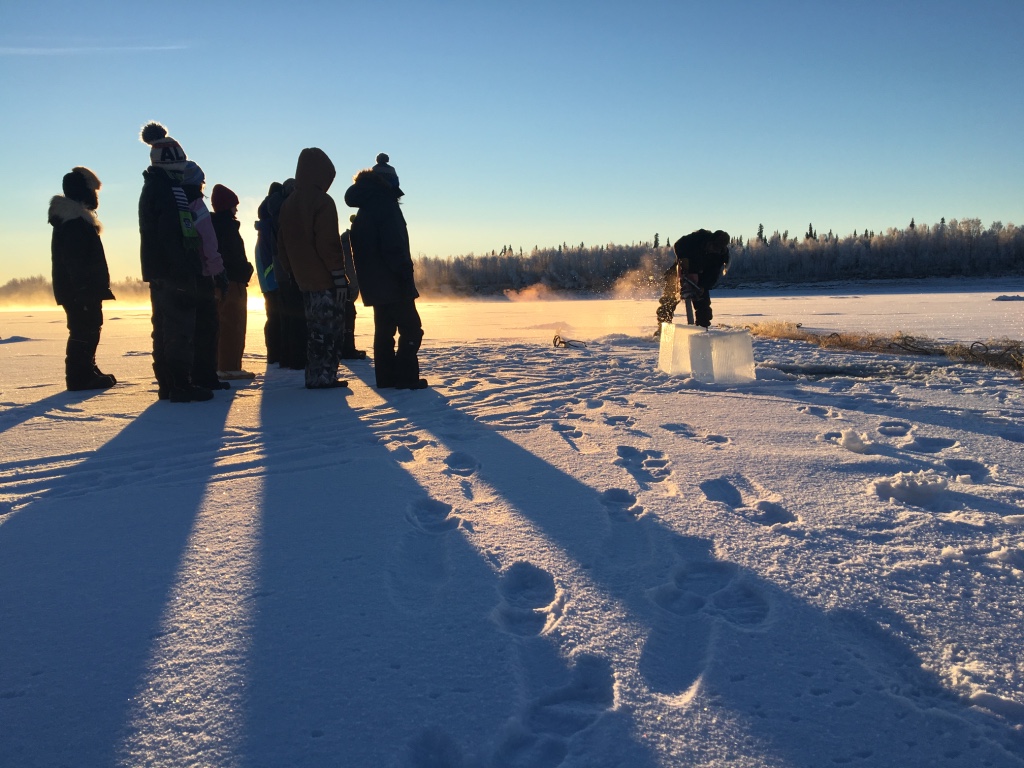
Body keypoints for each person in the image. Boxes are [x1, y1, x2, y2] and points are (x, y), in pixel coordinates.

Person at [138, 121, 213, 402]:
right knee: (179, 330)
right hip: (174, 273)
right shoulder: (169, 192)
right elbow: (172, 236)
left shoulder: (155, 188)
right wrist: (185, 272)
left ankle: (169, 384)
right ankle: (180, 384)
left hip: (161, 271)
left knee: (164, 329)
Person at [344, 168, 426, 390]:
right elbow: (394, 246)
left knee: (384, 331)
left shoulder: (367, 208)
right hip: (393, 282)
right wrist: (404, 274)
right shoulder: (385, 206)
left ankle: (386, 377)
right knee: (411, 329)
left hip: (374, 285)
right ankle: (405, 377)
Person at [276, 148, 350, 389]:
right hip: (325, 281)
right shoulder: (322, 202)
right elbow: (328, 243)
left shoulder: (288, 204)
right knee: (330, 331)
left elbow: (282, 245)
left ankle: (314, 375)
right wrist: (339, 277)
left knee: (314, 331)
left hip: (303, 280)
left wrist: (291, 272)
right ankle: (325, 377)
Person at [48, 166, 117, 391]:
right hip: (79, 291)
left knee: (90, 328)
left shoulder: (76, 221)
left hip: (81, 289)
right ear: (83, 192)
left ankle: (87, 368)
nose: (96, 197)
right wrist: (84, 290)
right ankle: (79, 376)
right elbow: (75, 261)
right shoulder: (74, 224)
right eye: (92, 191)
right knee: (83, 329)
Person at [181, 161, 230, 392]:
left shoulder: (176, 202)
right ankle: (206, 376)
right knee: (207, 328)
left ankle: (191, 374)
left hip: (182, 274)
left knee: (188, 330)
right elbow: (208, 242)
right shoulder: (197, 205)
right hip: (201, 274)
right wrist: (218, 271)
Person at [210, 183, 256, 380]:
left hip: (225, 282)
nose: (236, 209)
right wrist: (246, 270)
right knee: (233, 325)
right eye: (234, 205)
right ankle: (230, 366)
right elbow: (232, 256)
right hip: (233, 282)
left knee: (225, 324)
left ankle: (223, 364)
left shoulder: (215, 225)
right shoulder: (226, 226)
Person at [656, 229, 731, 331]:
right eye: (713, 246)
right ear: (710, 241)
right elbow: (679, 244)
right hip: (680, 272)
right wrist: (684, 259)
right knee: (668, 301)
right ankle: (663, 329)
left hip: (700, 280)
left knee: (704, 308)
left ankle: (702, 332)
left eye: (718, 249)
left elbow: (713, 275)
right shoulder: (698, 238)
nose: (714, 250)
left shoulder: (720, 257)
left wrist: (704, 286)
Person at [254, 182, 284, 364]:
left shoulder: (263, 227)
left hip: (269, 281)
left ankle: (274, 354)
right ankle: (276, 354)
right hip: (274, 280)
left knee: (272, 317)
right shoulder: (270, 226)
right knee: (276, 318)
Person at [339, 224, 367, 359]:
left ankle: (346, 347)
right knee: (348, 310)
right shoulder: (347, 241)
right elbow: (349, 266)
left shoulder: (347, 240)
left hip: (341, 282)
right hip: (342, 284)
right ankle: (347, 348)